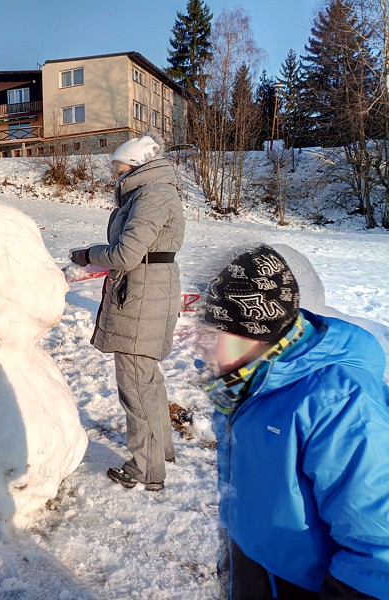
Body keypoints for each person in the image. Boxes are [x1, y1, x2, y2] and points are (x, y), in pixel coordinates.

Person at [201, 243, 389, 599]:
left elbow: (379, 550)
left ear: (256, 334)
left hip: (300, 583)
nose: (202, 347)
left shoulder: (339, 402)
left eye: (214, 335)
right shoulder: (251, 379)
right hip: (256, 565)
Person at [70, 132, 185, 491]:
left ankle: (145, 469)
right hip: (147, 288)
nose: (115, 176)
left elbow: (125, 255)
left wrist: (88, 254)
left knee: (136, 387)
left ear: (136, 166)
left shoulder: (151, 195)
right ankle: (160, 452)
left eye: (119, 169)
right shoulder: (151, 192)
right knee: (148, 380)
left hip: (142, 294)